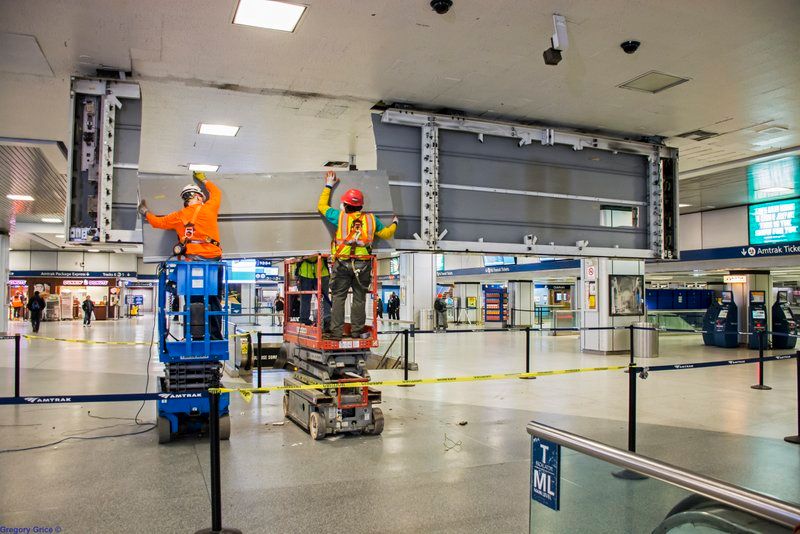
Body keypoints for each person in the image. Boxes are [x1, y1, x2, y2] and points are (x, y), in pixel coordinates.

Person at [138, 171, 223, 339]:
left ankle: (195, 335)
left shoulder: (179, 216)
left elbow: (157, 222)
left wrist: (145, 211)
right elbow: (217, 192)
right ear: (199, 197)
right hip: (213, 261)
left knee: (193, 299)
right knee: (213, 298)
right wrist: (204, 179)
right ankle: (215, 336)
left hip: (192, 264)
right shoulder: (209, 208)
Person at [318, 170, 398, 340]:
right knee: (359, 299)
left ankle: (336, 333)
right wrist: (395, 223)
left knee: (339, 297)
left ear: (345, 205)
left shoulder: (339, 217)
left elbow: (322, 206)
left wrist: (329, 185)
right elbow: (386, 234)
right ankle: (357, 332)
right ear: (361, 206)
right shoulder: (371, 220)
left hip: (342, 264)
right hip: (362, 265)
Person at [295, 255, 331, 328]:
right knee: (306, 299)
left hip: (320, 273)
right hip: (307, 274)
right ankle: (305, 319)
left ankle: (326, 319)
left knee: (322, 299)